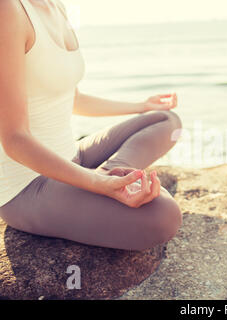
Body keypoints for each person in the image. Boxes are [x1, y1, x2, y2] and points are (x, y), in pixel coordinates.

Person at [0, 0, 182, 251]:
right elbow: (14, 140)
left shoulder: (56, 7)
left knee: (167, 121)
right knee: (164, 216)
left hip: (72, 155)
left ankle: (114, 171)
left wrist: (141, 106)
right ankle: (107, 178)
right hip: (29, 185)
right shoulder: (8, 10)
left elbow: (72, 99)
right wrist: (96, 184)